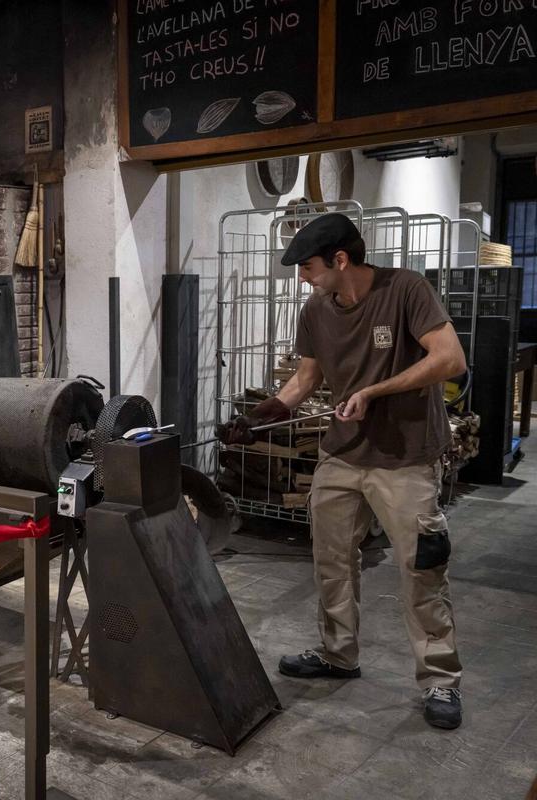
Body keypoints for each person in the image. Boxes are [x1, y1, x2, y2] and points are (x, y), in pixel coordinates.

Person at [216, 212, 467, 729]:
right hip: (342, 454)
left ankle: (440, 679)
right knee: (331, 558)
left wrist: (375, 391)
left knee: (422, 568)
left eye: (307, 267)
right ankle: (338, 654)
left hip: (406, 459)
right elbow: (304, 380)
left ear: (341, 260)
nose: (303, 277)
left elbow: (450, 359)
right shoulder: (316, 312)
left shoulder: (407, 291)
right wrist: (264, 414)